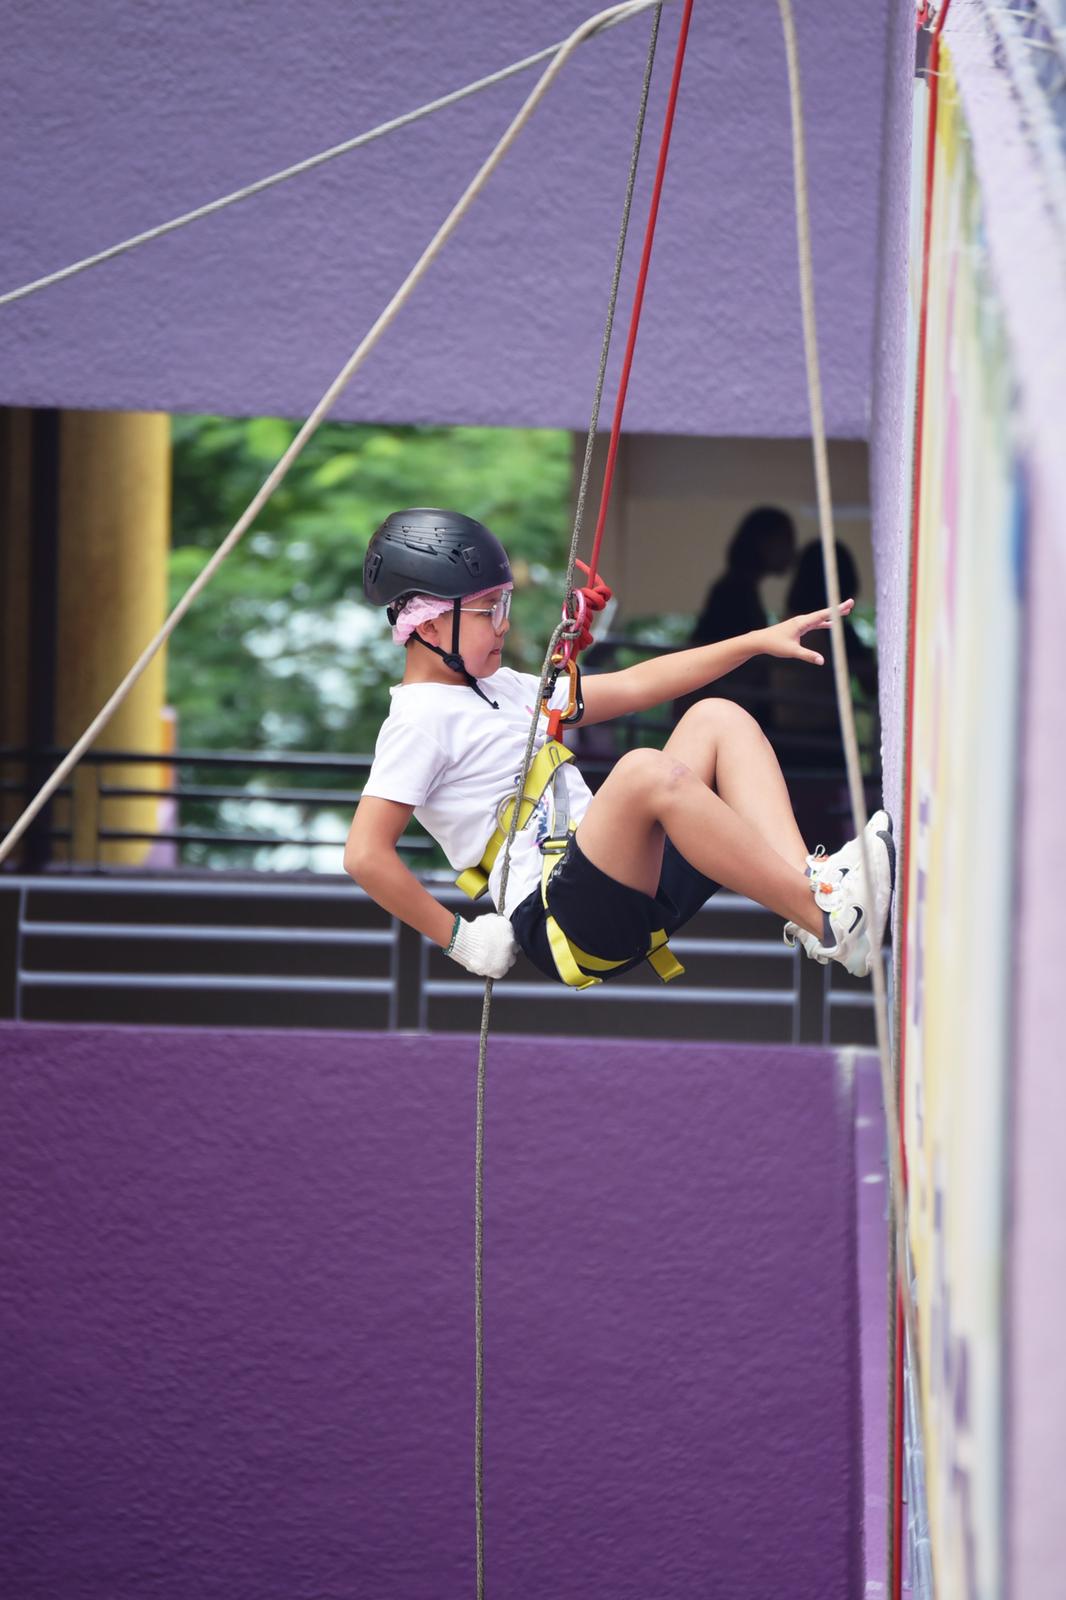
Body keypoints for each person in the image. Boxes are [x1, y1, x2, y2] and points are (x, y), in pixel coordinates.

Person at [345, 508, 894, 989]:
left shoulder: (507, 688)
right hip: (561, 918)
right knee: (643, 771)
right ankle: (830, 919)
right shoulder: (417, 721)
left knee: (716, 718)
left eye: (503, 604)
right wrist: (460, 939)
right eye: (488, 609)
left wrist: (754, 643)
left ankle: (815, 896)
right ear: (428, 625)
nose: (504, 624)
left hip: (613, 879)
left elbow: (635, 686)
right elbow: (365, 855)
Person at [674, 506, 797, 729]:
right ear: (763, 543)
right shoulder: (734, 592)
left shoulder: (738, 588)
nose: (791, 550)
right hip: (722, 711)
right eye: (785, 540)